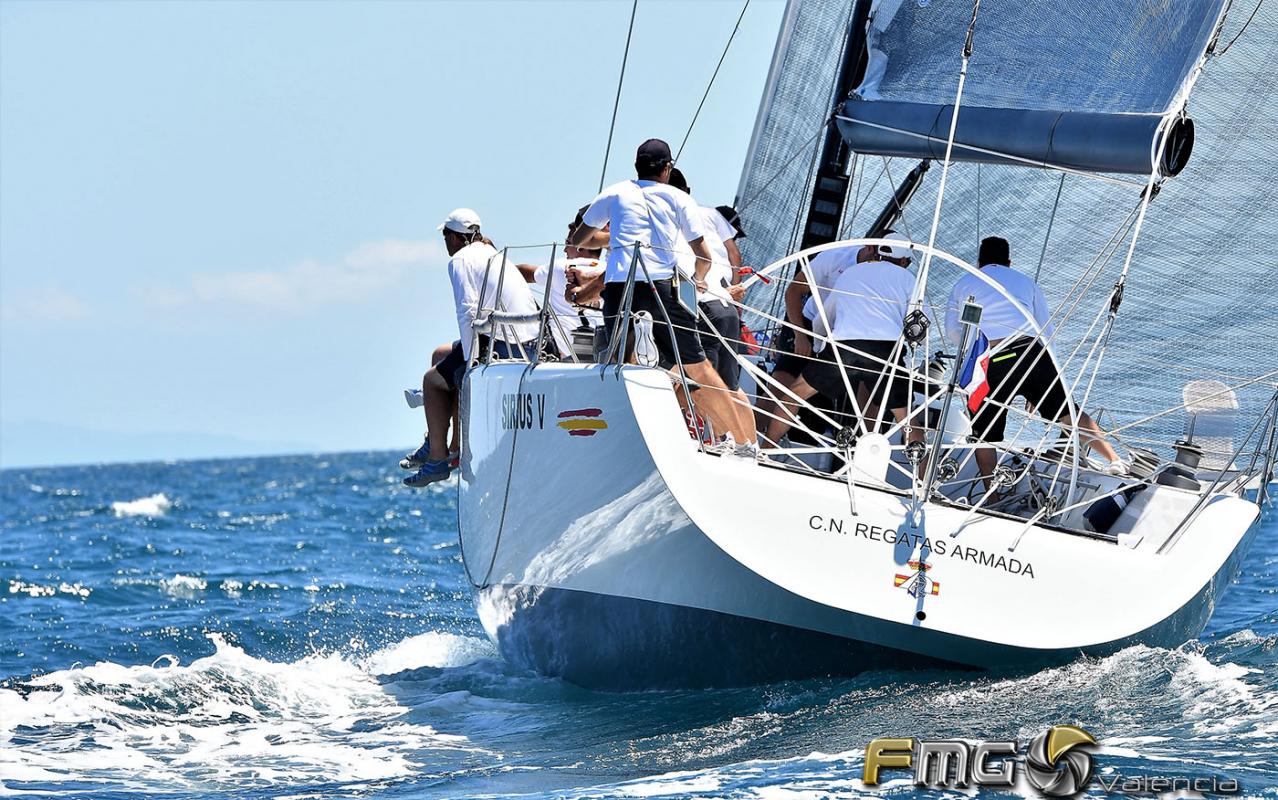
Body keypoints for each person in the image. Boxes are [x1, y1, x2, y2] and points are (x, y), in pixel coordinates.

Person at [570, 138, 755, 451]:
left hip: (620, 287)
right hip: (661, 287)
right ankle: (742, 442)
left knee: (621, 361)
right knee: (698, 367)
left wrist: (618, 238)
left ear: (636, 166)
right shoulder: (678, 198)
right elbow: (704, 257)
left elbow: (580, 239)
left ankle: (626, 433)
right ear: (667, 169)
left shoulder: (615, 192)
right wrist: (698, 280)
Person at [944, 236, 1124, 481]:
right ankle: (1115, 460)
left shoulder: (964, 283)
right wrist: (1041, 379)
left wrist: (976, 348)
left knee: (984, 436)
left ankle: (992, 495)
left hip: (989, 360)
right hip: (1031, 354)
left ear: (979, 261)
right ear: (1009, 262)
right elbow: (1046, 331)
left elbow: (954, 332)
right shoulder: (1026, 282)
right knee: (1068, 412)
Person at [404, 208, 540, 488]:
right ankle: (443, 443)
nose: (445, 241)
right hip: (525, 340)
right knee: (440, 355)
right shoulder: (492, 254)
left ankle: (437, 462)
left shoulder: (461, 260)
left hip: (505, 344)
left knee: (432, 381)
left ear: (454, 237)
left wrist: (471, 362)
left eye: (445, 235)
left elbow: (466, 312)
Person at [769, 234, 926, 458]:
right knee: (908, 420)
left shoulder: (852, 272)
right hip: (885, 353)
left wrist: (819, 345)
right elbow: (920, 324)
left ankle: (765, 449)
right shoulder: (909, 280)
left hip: (845, 348)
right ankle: (920, 475)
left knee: (794, 394)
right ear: (904, 261)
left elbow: (825, 317)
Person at [666, 168, 748, 405]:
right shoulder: (711, 213)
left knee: (694, 383)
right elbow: (734, 254)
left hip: (699, 303)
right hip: (724, 302)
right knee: (731, 388)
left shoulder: (667, 220)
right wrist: (733, 291)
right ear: (687, 191)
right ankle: (741, 430)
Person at [516, 207, 605, 359]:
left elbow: (528, 274)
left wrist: (500, 267)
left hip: (571, 357)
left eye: (568, 243)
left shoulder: (561, 267)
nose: (565, 250)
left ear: (581, 245)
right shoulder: (608, 270)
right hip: (604, 354)